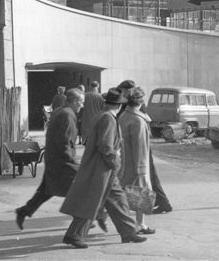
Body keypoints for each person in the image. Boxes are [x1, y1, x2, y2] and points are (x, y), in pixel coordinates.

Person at [60, 88, 147, 249]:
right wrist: (116, 161)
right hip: (102, 168)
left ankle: (128, 232)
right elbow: (105, 146)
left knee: (117, 200)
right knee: (92, 202)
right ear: (120, 106)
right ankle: (74, 235)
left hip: (103, 168)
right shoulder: (108, 118)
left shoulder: (103, 115)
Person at [15, 88, 88, 230]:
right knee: (77, 189)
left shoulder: (60, 111)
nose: (82, 106)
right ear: (74, 101)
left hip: (54, 159)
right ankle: (81, 221)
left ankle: (24, 211)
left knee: (47, 191)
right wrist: (73, 162)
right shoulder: (67, 115)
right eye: (81, 102)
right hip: (62, 162)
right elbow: (65, 142)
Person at [117, 79, 172, 214]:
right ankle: (161, 202)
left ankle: (158, 204)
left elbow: (142, 120)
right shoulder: (132, 102)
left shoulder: (133, 104)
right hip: (136, 144)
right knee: (148, 176)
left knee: (146, 175)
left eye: (123, 91)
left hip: (139, 144)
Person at [118, 86, 156, 234]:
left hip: (125, 161)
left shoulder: (123, 116)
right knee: (141, 194)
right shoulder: (138, 121)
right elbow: (140, 146)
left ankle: (139, 223)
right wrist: (141, 169)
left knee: (127, 193)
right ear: (141, 101)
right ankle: (139, 224)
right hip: (137, 163)